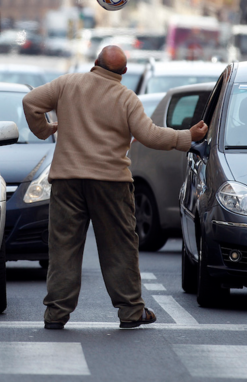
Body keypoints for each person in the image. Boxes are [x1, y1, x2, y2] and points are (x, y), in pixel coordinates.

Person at [22, 45, 208, 330]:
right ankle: (131, 311)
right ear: (123, 72)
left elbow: (30, 102)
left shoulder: (66, 84)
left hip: (67, 182)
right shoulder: (126, 98)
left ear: (95, 63)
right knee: (119, 247)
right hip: (111, 183)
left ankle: (56, 313)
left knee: (63, 248)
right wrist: (187, 136)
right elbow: (150, 135)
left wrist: (45, 130)